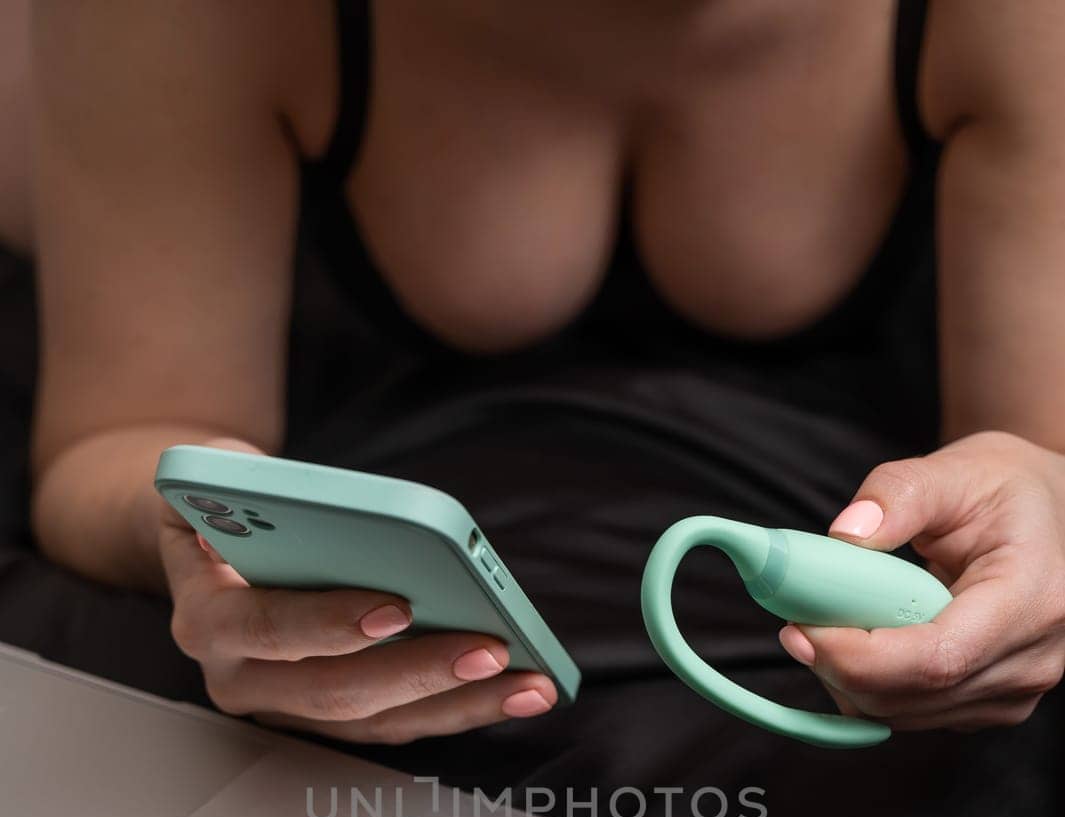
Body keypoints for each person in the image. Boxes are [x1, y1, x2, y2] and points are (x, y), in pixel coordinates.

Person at [10, 0, 1065, 741]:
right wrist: (206, 536)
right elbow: (112, 443)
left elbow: (1042, 457)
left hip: (842, 704)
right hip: (356, 700)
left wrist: (1041, 521)